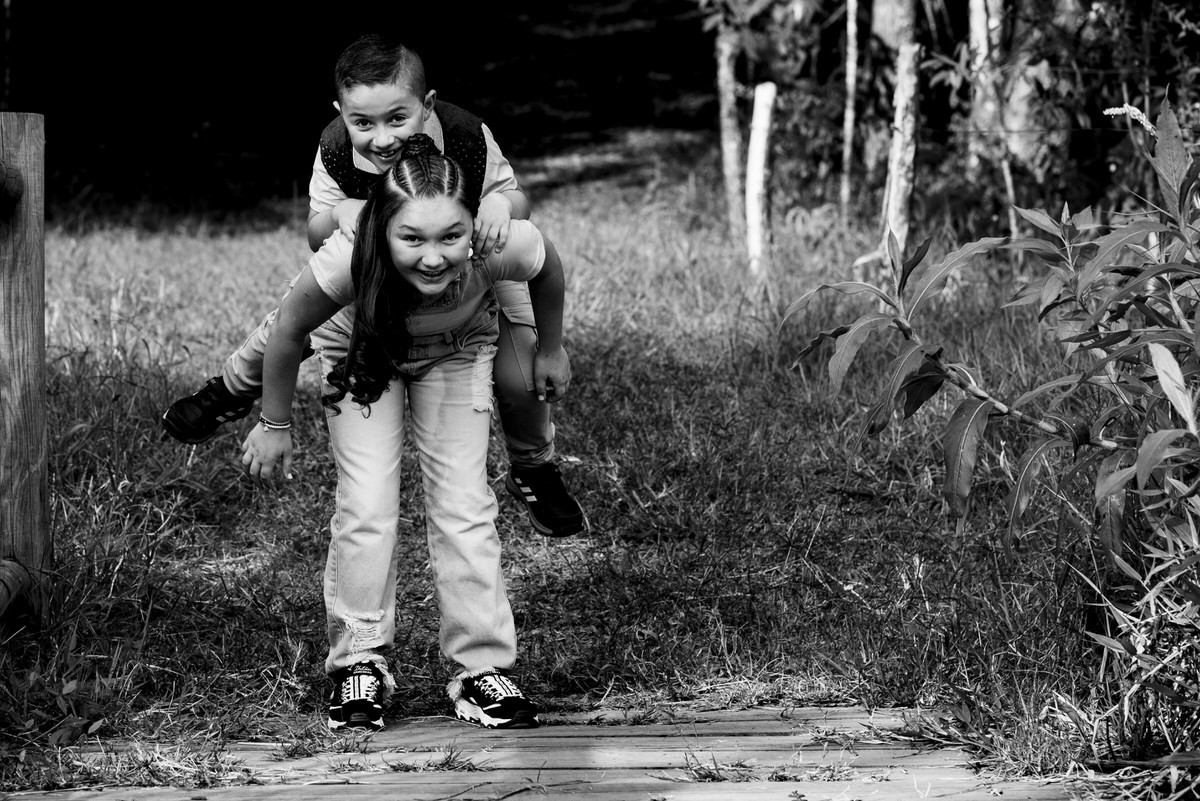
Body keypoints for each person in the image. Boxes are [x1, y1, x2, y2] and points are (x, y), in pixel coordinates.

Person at [163, 34, 584, 538]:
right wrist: (342, 211)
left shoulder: (467, 136)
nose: (382, 138)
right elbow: (316, 233)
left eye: (397, 119)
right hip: (379, 266)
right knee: (300, 313)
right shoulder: (338, 149)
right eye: (364, 122)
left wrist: (500, 205)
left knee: (522, 368)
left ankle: (534, 464)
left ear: (426, 107)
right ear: (341, 112)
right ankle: (233, 387)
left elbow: (520, 208)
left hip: (470, 258)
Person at [241, 134, 567, 732]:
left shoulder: (497, 244)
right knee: (367, 503)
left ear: (474, 225)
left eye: (450, 236)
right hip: (364, 354)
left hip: (457, 351)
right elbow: (288, 331)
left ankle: (481, 669)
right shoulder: (346, 260)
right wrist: (273, 422)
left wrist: (551, 347)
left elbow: (548, 269)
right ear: (382, 230)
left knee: (464, 504)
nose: (434, 256)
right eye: (411, 239)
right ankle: (357, 662)